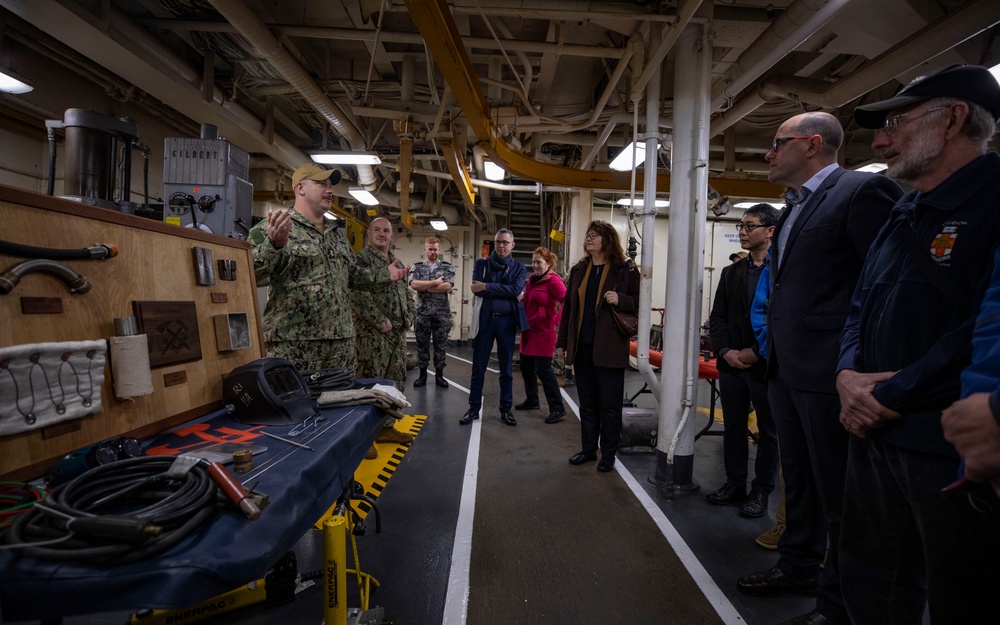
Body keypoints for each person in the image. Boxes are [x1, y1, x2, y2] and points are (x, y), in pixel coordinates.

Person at [836, 64, 1000, 624]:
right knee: (870, 582)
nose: (880, 140)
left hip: (942, 441)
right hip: (872, 431)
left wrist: (894, 392)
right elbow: (859, 303)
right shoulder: (902, 210)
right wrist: (846, 375)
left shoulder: (992, 201)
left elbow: (982, 321)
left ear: (953, 119)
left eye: (895, 123)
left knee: (960, 595)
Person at [735, 112, 902, 625]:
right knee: (801, 480)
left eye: (777, 143)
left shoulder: (860, 192)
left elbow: (883, 285)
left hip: (833, 373)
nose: (768, 153)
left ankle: (841, 604)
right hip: (787, 369)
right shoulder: (794, 209)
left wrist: (862, 365)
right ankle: (799, 565)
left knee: (841, 494)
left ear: (811, 145)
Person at [248, 163, 408, 373]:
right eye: (321, 183)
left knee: (342, 402)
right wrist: (274, 244)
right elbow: (249, 272)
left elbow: (352, 276)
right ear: (301, 188)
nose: (329, 189)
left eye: (330, 184)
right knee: (295, 404)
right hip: (295, 342)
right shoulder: (274, 227)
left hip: (342, 342)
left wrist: (383, 275)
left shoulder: (336, 235)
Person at [707, 203, 780, 520]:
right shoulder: (730, 272)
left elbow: (782, 319)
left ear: (770, 231)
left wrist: (756, 351)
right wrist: (725, 351)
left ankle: (761, 491)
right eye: (741, 226)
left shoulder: (781, 271)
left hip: (765, 365)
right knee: (733, 427)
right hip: (731, 365)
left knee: (769, 432)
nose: (743, 231)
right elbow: (717, 317)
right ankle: (734, 483)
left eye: (750, 226)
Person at [556, 220, 640, 473]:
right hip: (582, 347)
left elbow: (640, 302)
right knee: (588, 404)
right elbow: (568, 309)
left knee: (610, 406)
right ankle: (589, 449)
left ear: (607, 240)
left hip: (610, 347)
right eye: (587, 235)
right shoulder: (580, 269)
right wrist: (562, 342)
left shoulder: (624, 270)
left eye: (594, 235)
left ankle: (609, 454)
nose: (588, 239)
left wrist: (621, 299)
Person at [352, 217, 416, 447]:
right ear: (368, 234)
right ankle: (364, 436)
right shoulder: (361, 260)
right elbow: (357, 293)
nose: (381, 234)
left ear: (391, 235)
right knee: (370, 385)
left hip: (397, 337)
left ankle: (385, 429)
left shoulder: (396, 262)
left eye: (386, 231)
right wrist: (379, 320)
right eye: (376, 230)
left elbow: (406, 293)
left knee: (394, 383)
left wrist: (410, 316)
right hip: (372, 336)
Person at [460, 229, 527, 427]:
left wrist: (487, 287)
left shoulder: (519, 268)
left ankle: (505, 410)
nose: (501, 246)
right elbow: (475, 289)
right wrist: (504, 291)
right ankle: (473, 408)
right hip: (485, 321)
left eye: (505, 242)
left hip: (507, 323)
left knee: (506, 369)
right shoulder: (481, 264)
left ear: (512, 245)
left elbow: (515, 289)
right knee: (478, 367)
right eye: (498, 242)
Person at [515, 247, 567, 424]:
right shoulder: (532, 279)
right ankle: (532, 400)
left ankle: (557, 408)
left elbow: (567, 300)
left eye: (539, 262)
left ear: (548, 263)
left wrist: (559, 322)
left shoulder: (554, 281)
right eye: (534, 261)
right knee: (525, 366)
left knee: (544, 371)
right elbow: (528, 297)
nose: (535, 265)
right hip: (528, 330)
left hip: (544, 332)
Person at [408, 236, 454, 388]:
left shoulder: (447, 267)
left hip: (441, 314)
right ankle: (422, 376)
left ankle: (439, 377)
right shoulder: (417, 267)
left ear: (439, 249)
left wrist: (424, 287)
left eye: (435, 249)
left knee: (441, 346)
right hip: (422, 313)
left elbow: (447, 287)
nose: (433, 252)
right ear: (425, 249)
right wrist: (434, 283)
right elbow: (414, 284)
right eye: (430, 249)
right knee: (422, 346)